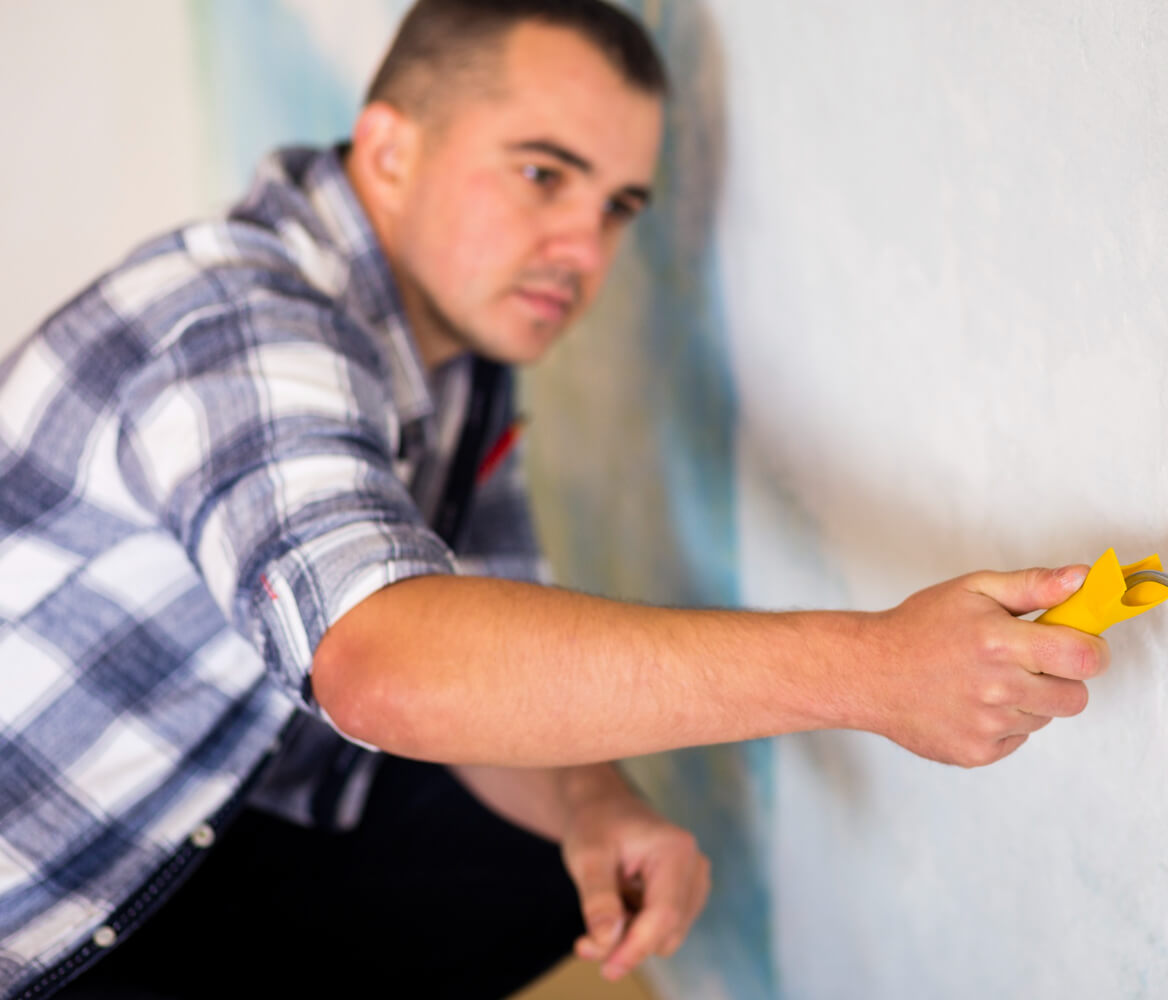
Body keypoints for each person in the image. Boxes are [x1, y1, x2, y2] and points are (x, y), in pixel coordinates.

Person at [0, 1, 1111, 996]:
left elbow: (482, 630)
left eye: (619, 204)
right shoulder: (251, 326)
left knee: (550, 842)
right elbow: (389, 664)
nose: (585, 248)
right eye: (542, 173)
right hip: (36, 925)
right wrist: (877, 669)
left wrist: (592, 808)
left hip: (161, 844)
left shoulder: (451, 367)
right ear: (390, 150)